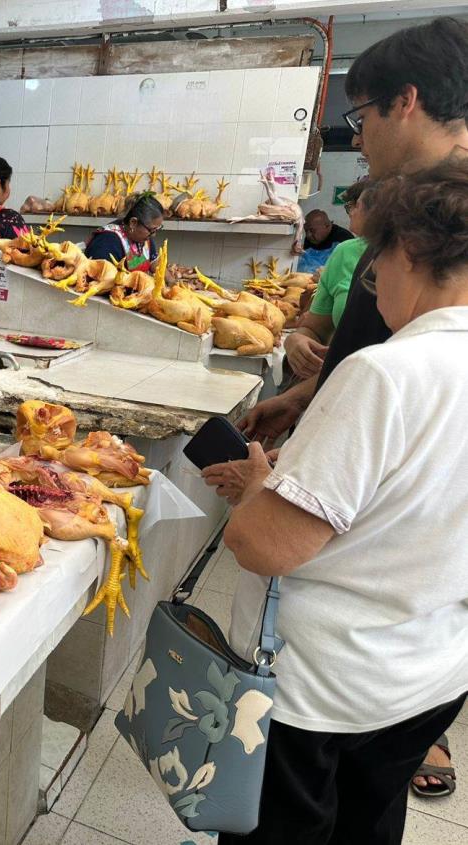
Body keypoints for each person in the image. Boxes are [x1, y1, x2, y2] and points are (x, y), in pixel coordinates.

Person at [203, 16, 468, 830]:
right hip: (425, 671)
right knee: (366, 821)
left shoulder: (388, 371)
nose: (365, 285)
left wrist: (258, 485)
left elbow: (267, 543)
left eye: (371, 262)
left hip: (325, 686)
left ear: (411, 254)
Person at [284, 179, 378, 380]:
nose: (351, 212)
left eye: (355, 205)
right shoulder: (345, 252)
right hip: (335, 380)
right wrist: (296, 340)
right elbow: (314, 329)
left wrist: (297, 398)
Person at [83, 192, 164, 271]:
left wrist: (171, 280)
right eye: (152, 230)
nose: (154, 234)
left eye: (156, 229)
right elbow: (101, 278)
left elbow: (155, 264)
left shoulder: (144, 237)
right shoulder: (107, 241)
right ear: (133, 223)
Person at [297, 209, 354, 274]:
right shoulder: (310, 239)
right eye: (306, 231)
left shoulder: (344, 239)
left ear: (327, 226)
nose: (308, 235)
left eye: (312, 230)